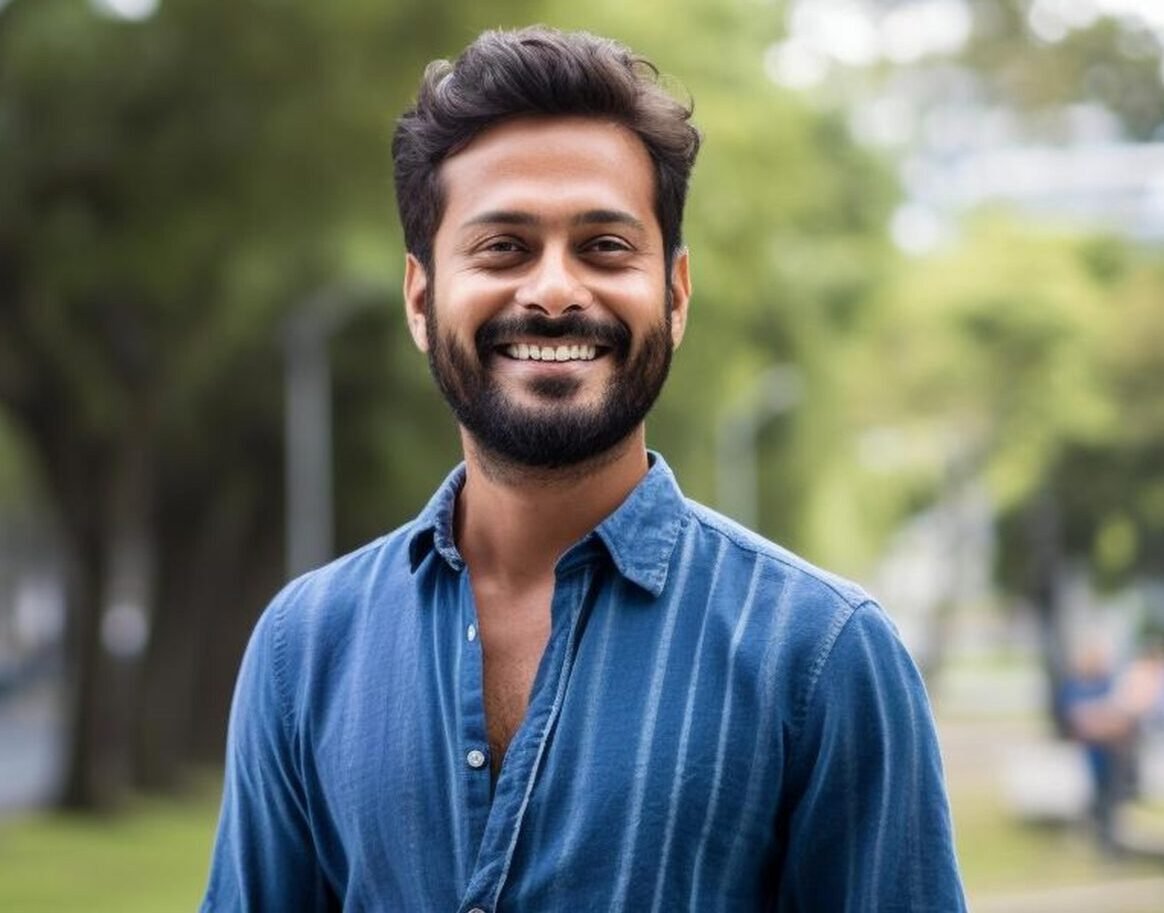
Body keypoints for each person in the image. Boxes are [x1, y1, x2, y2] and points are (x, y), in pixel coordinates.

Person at [201, 26, 966, 912]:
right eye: (503, 248)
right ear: (422, 300)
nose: (555, 290)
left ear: (674, 296)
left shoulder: (824, 655)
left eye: (605, 246)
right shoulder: (305, 649)